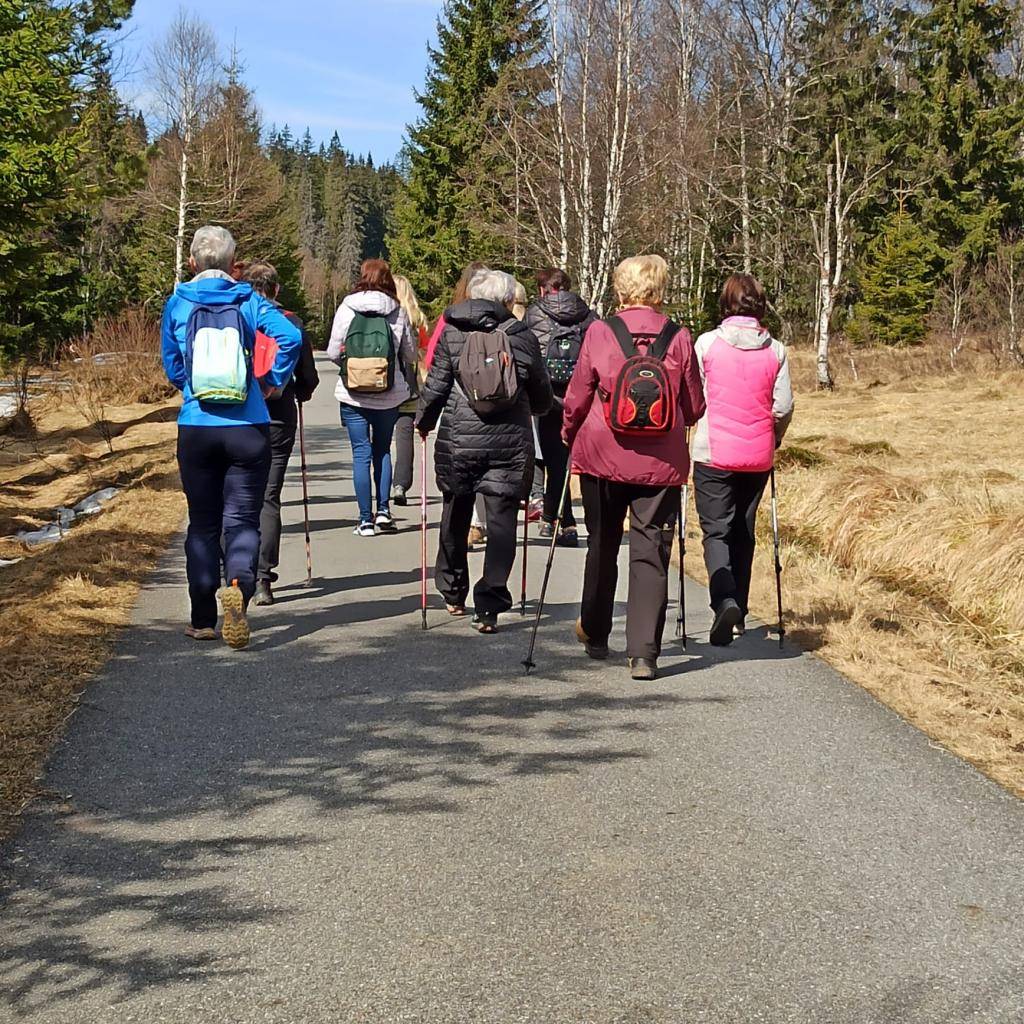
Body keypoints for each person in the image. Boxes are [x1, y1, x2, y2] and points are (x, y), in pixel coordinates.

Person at [561, 254, 705, 680]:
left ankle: (596, 631)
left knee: (602, 544)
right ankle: (643, 652)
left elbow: (577, 396)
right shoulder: (679, 337)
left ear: (621, 289)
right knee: (651, 553)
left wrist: (569, 435)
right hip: (660, 464)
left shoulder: (600, 332)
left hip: (602, 457)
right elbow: (694, 406)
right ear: (659, 290)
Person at [161, 226, 302, 649]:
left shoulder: (178, 302)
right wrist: (270, 381)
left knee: (203, 523)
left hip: (198, 426)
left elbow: (171, 362)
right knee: (242, 520)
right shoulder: (248, 299)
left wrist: (190, 385)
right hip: (248, 426)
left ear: (192, 263)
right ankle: (237, 590)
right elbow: (291, 336)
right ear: (232, 264)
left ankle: (203, 618)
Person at [416, 269, 553, 633]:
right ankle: (489, 604)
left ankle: (452, 590)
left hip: (460, 438)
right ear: (507, 301)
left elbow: (437, 385)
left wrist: (424, 421)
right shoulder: (521, 335)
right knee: (502, 519)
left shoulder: (453, 331)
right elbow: (541, 393)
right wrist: (532, 408)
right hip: (509, 441)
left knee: (455, 510)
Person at [691, 272, 794, 645]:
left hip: (713, 453)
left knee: (716, 530)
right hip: (757, 455)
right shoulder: (775, 349)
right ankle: (738, 612)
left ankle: (725, 600)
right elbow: (782, 407)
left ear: (726, 303)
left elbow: (695, 399)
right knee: (743, 531)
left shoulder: (706, 345)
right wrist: (774, 438)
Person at [241, 262, 320, 606]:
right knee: (269, 495)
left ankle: (230, 568)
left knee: (237, 494)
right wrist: (299, 390)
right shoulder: (290, 322)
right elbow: (309, 377)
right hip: (277, 417)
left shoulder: (238, 316)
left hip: (241, 414)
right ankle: (262, 580)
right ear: (275, 290)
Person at [327, 259, 417, 537]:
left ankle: (364, 520)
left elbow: (332, 351)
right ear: (388, 280)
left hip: (353, 393)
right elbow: (410, 355)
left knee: (360, 454)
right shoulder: (397, 310)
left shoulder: (347, 307)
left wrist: (350, 366)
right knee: (382, 451)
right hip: (388, 393)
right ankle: (383, 512)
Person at [525, 267, 596, 547]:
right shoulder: (589, 316)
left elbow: (527, 353)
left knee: (554, 460)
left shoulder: (534, 314)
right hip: (581, 396)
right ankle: (559, 519)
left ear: (543, 289)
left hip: (546, 396)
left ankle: (562, 521)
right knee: (567, 460)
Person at [391, 274, 430, 506]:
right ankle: (400, 484)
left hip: (383, 386)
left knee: (380, 438)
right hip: (411, 386)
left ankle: (381, 481)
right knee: (405, 435)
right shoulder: (418, 320)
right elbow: (425, 356)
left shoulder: (386, 316)